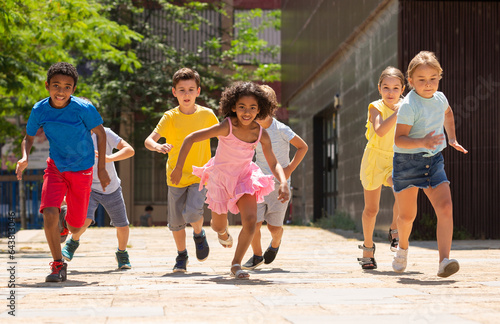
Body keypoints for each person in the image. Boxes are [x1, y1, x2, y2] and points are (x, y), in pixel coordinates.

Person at [171, 81, 290, 279]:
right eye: (242, 107)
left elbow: (273, 162)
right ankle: (223, 233)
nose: (246, 112)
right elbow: (190, 138)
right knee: (217, 226)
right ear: (233, 107)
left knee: (251, 221)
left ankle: (236, 264)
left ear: (260, 109)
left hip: (244, 177)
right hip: (221, 180)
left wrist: (284, 182)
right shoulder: (226, 126)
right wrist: (177, 168)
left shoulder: (261, 134)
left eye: (253, 108)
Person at [16, 62, 110, 282]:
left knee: (76, 225)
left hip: (82, 169)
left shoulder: (83, 109)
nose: (61, 91)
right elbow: (29, 138)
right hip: (56, 167)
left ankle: (66, 215)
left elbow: (101, 134)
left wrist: (103, 168)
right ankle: (58, 264)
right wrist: (25, 156)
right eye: (56, 85)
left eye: (67, 87)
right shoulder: (39, 110)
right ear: (47, 85)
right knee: (49, 212)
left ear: (73, 89)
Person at [392, 51, 467, 277]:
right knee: (406, 217)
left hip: (434, 160)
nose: (428, 84)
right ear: (411, 81)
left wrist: (451, 137)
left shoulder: (440, 98)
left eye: (433, 78)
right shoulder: (408, 105)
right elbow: (399, 140)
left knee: (445, 207)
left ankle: (444, 261)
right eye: (422, 80)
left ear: (439, 77)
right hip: (407, 162)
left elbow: (448, 114)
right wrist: (423, 141)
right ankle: (402, 248)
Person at [144, 67, 219, 272]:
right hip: (175, 176)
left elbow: (224, 138)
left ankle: (198, 234)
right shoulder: (169, 117)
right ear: (174, 92)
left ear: (198, 91)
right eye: (182, 90)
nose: (187, 94)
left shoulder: (207, 115)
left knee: (193, 212)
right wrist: (158, 146)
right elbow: (149, 140)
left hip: (199, 174)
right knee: (176, 222)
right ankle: (181, 256)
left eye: (191, 89)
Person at [242, 85, 308, 270]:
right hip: (258, 182)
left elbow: (303, 146)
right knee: (253, 222)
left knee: (273, 228)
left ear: (271, 108)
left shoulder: (281, 129)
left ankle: (276, 241)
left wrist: (289, 169)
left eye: (263, 108)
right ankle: (256, 255)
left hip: (279, 184)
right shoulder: (251, 130)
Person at [62, 121, 135, 269]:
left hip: (111, 187)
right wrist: (66, 193)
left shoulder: (105, 133)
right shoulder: (72, 139)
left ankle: (122, 253)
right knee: (85, 220)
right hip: (88, 188)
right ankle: (72, 242)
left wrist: (109, 158)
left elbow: (130, 150)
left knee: (123, 225)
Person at [357, 67, 405, 270]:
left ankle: (394, 229)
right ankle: (368, 249)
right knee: (371, 209)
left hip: (396, 158)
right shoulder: (375, 107)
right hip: (375, 158)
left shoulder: (406, 106)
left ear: (403, 88)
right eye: (386, 87)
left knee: (401, 192)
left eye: (395, 88)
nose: (391, 92)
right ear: (379, 88)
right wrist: (397, 114)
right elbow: (380, 130)